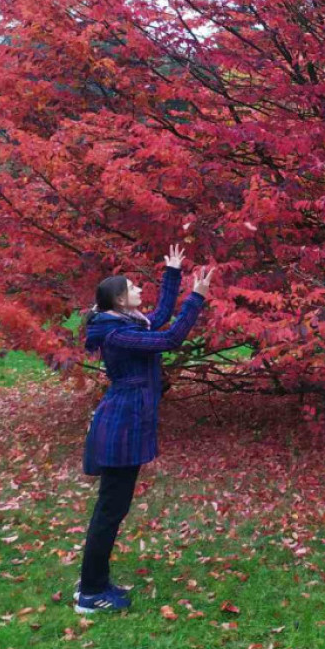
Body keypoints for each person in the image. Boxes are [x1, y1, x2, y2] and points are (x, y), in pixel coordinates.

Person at [74, 244, 213, 613]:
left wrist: (173, 273)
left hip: (127, 421)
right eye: (133, 287)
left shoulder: (126, 323)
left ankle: (93, 582)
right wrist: (197, 298)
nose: (138, 290)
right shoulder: (118, 334)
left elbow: (163, 315)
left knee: (111, 508)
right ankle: (90, 592)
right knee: (110, 509)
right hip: (121, 425)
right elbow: (169, 339)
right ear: (120, 301)